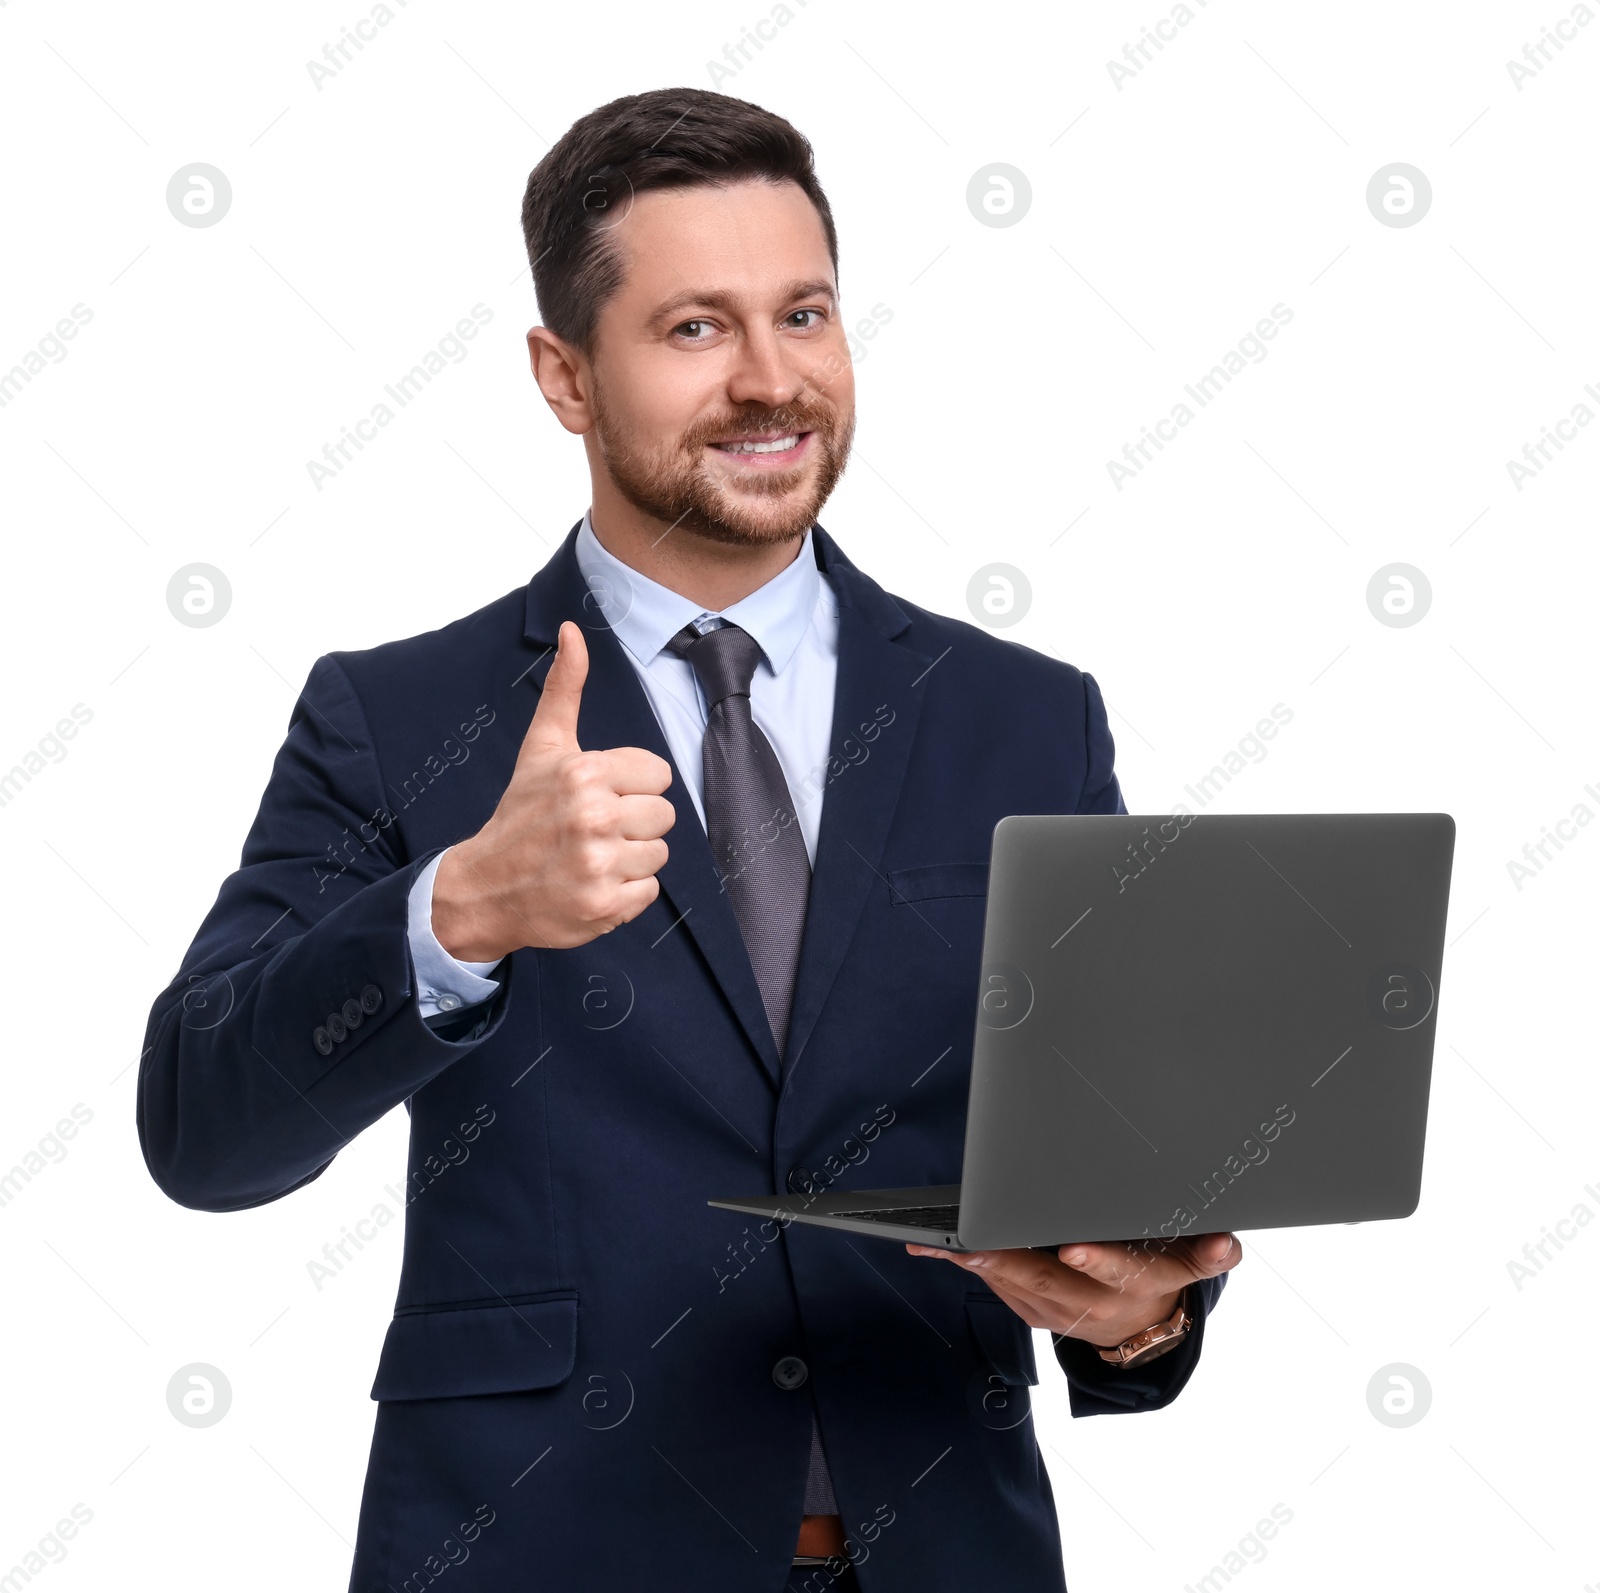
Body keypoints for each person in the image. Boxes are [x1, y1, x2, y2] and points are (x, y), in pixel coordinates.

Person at [139, 86, 1240, 1593]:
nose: (772, 380)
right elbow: (203, 1129)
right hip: (546, 1548)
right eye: (695, 329)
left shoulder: (1022, 719)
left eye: (805, 313)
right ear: (565, 374)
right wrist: (455, 911)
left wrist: (1140, 1313)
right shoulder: (403, 719)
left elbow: (1118, 1164)